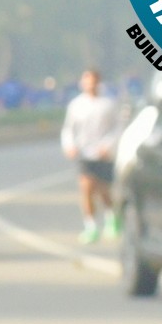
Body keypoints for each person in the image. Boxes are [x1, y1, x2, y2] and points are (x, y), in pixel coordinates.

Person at [61, 67, 128, 241]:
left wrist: (108, 146)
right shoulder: (76, 105)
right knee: (86, 188)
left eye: (93, 82)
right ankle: (90, 226)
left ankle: (112, 217)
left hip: (103, 154)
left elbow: (118, 128)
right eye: (87, 82)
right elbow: (68, 129)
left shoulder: (108, 104)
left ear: (99, 83)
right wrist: (69, 146)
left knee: (103, 190)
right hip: (84, 154)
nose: (90, 85)